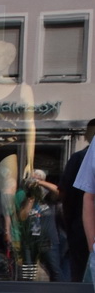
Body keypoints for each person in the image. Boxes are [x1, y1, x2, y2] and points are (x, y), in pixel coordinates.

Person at [59, 119, 95, 282]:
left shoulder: (80, 157)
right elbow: (78, 196)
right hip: (83, 228)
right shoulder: (80, 158)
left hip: (81, 228)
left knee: (81, 280)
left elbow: (68, 196)